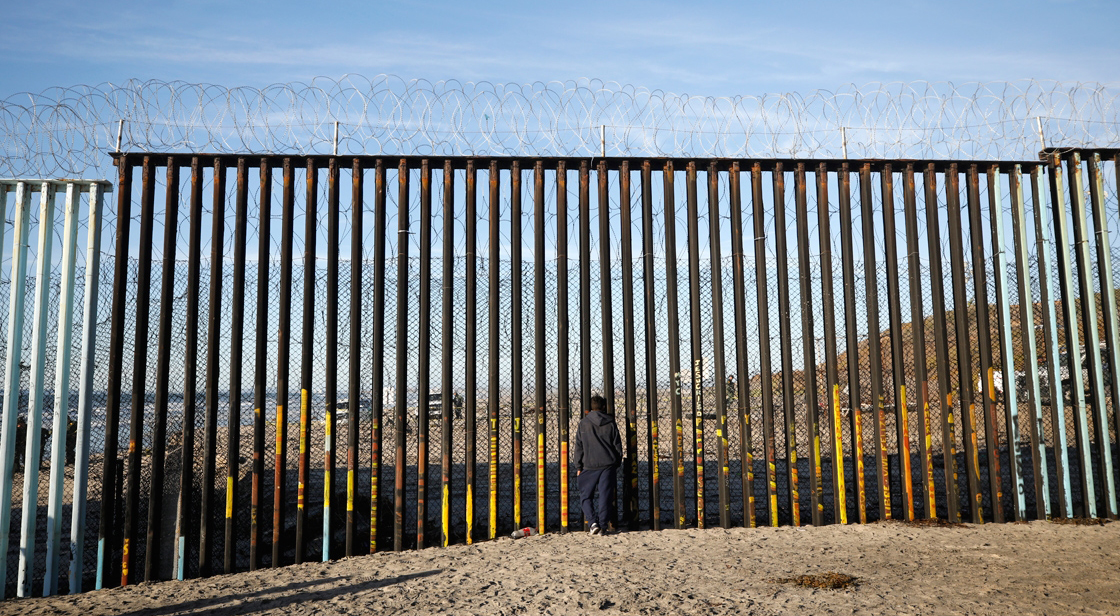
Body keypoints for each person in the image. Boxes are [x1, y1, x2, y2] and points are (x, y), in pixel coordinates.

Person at [573, 394, 622, 536]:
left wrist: (578, 466)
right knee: (605, 496)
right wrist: (616, 463)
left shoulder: (584, 423)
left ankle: (593, 523)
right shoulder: (611, 423)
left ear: (590, 408)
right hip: (608, 464)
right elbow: (617, 445)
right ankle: (603, 526)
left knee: (585, 496)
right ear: (604, 407)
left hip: (589, 465)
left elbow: (579, 446)